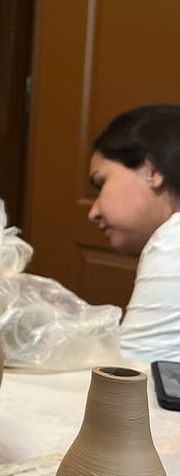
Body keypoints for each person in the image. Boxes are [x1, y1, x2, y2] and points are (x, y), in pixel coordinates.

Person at [89, 105, 180, 362]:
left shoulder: (173, 241)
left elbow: (135, 378)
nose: (93, 212)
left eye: (101, 183)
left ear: (152, 171)